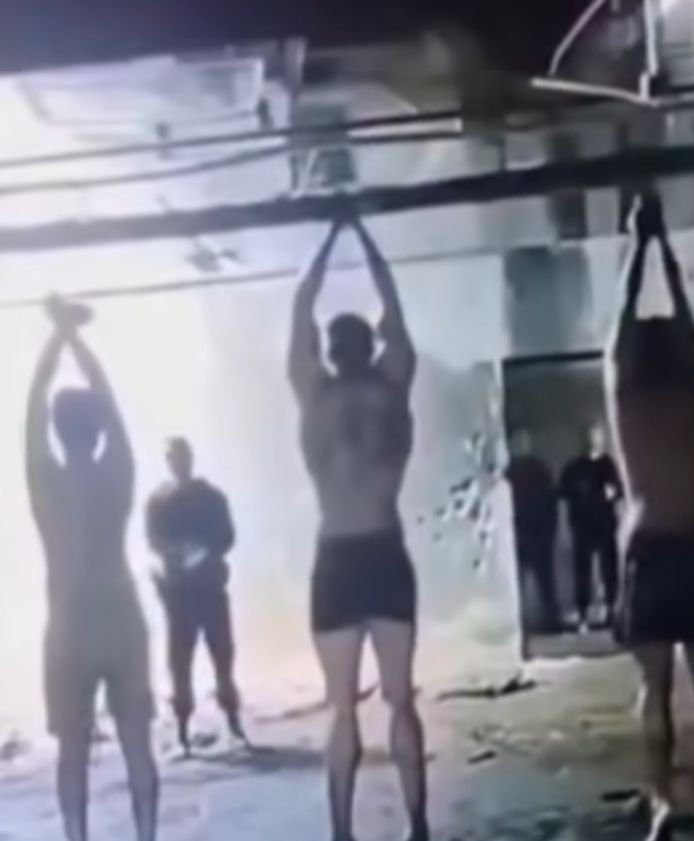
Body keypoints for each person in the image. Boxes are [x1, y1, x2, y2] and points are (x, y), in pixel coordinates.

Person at [607, 192, 694, 841]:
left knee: (654, 685)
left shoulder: (627, 393)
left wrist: (639, 247)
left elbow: (619, 328)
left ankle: (664, 801)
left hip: (650, 546)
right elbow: (689, 327)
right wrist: (664, 248)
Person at [289, 210, 427, 841]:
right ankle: (416, 826)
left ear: (330, 351)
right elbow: (394, 305)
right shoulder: (393, 388)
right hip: (382, 550)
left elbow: (301, 307)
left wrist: (328, 240)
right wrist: (364, 238)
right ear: (370, 347)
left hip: (339, 555)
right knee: (399, 699)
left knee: (343, 707)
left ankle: (343, 832)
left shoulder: (314, 398)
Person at [25, 297, 158, 841]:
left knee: (73, 752)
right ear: (99, 431)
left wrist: (57, 336)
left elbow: (34, 408)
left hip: (70, 620)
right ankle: (146, 835)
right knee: (136, 745)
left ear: (60, 432)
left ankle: (76, 835)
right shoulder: (117, 473)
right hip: (119, 613)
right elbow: (110, 403)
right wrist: (78, 342)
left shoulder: (46, 482)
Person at [145, 436, 245, 754]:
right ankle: (184, 731)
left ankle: (231, 723)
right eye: (173, 457)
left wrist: (201, 551)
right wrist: (179, 553)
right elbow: (154, 541)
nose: (178, 463)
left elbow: (227, 536)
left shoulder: (210, 497)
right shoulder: (159, 501)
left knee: (222, 658)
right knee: (180, 664)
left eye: (181, 456)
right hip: (180, 593)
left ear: (189, 458)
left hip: (207, 588)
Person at [559, 424, 623, 633]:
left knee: (609, 569)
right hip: (582, 525)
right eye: (587, 437)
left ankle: (612, 610)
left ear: (600, 440)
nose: (590, 442)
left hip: (604, 524)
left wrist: (611, 493)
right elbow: (563, 494)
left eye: (594, 437)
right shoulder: (573, 467)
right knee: (582, 571)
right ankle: (583, 613)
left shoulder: (608, 465)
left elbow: (619, 490)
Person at [505, 428, 561, 633]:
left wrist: (549, 531)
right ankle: (522, 622)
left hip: (534, 533)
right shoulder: (511, 471)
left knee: (544, 582)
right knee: (521, 583)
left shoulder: (536, 470)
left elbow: (550, 503)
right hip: (520, 533)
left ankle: (550, 621)